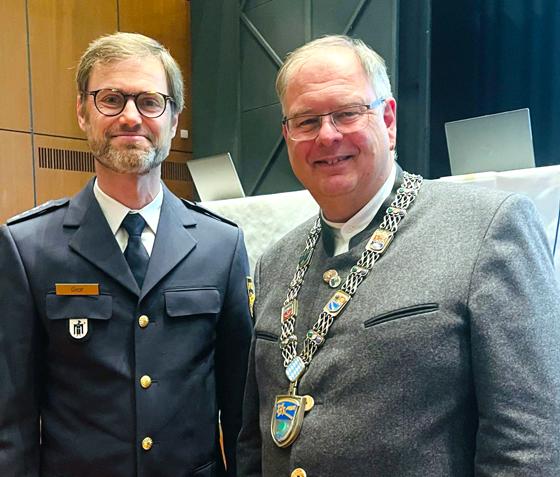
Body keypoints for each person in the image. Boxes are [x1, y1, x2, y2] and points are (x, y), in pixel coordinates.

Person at [237, 35, 560, 476]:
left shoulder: (487, 228)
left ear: (388, 120)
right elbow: (254, 443)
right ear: (288, 136)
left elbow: (529, 445)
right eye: (307, 121)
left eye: (347, 113)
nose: (327, 135)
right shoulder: (276, 260)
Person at [0, 32, 252, 476]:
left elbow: (241, 413)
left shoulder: (222, 245)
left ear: (174, 118)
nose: (130, 117)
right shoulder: (28, 248)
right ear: (82, 111)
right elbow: (13, 421)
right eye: (111, 99)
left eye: (150, 101)